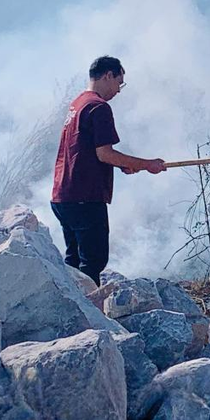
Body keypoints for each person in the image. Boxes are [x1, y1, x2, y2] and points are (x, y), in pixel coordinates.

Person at [50, 55, 166, 285]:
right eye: (119, 82)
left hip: (63, 196)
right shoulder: (98, 107)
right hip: (85, 197)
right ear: (108, 75)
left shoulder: (77, 104)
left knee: (73, 261)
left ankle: (71, 308)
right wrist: (148, 164)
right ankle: (90, 317)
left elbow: (88, 153)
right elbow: (104, 153)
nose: (119, 90)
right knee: (93, 262)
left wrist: (125, 164)